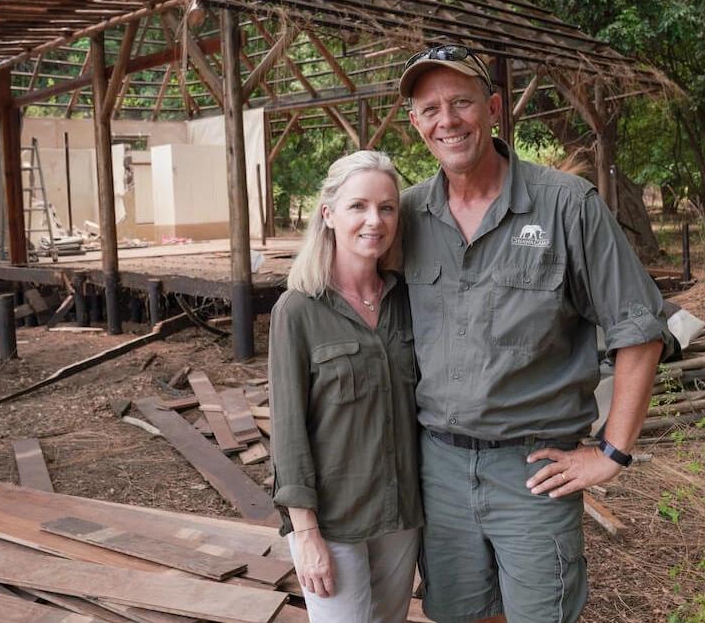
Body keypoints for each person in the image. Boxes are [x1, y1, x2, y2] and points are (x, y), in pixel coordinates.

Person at [398, 45, 675, 622]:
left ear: (494, 108)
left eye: (461, 103)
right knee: (461, 614)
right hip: (439, 468)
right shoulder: (405, 217)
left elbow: (639, 330)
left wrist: (612, 453)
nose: (446, 121)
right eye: (430, 109)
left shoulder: (566, 205)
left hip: (532, 469)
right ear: (415, 122)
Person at [268, 150, 423, 622]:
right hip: (333, 523)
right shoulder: (298, 310)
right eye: (358, 206)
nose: (373, 220)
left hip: (401, 515)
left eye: (387, 207)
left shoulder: (407, 301)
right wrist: (306, 533)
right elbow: (289, 432)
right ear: (329, 213)